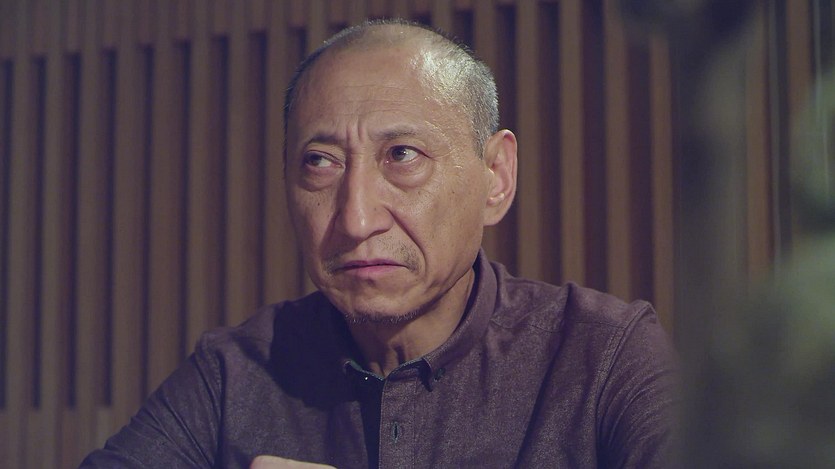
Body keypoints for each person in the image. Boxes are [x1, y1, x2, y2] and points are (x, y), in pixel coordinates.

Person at [81, 19, 677, 469]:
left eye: (402, 156)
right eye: (320, 162)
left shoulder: (602, 357)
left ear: (496, 176)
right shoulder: (236, 374)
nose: (357, 218)